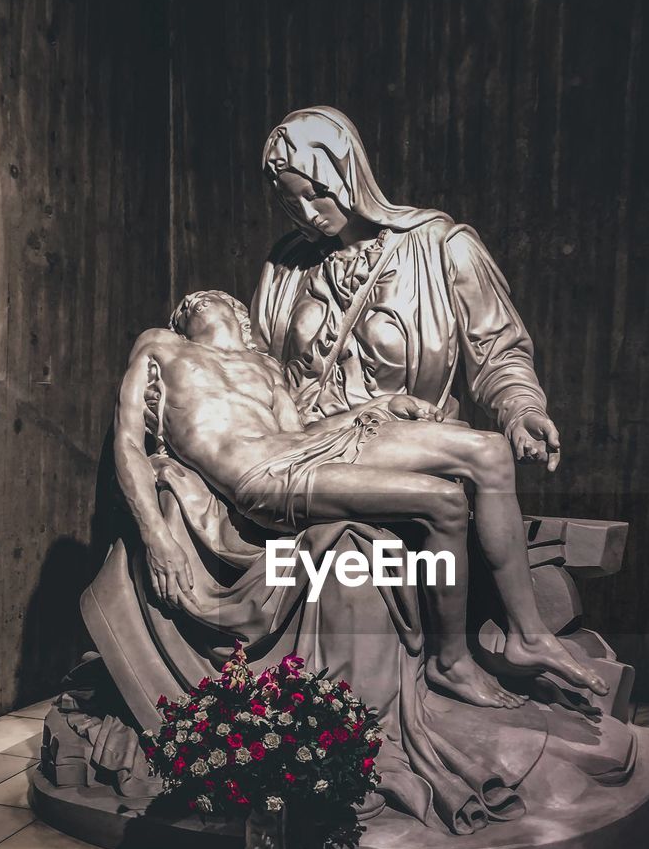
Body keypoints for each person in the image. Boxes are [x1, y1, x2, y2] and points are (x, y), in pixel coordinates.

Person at [114, 289, 608, 709]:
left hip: (304, 449)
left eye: (217, 299)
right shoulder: (162, 345)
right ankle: (450, 662)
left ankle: (528, 633)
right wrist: (157, 536)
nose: (205, 301)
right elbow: (128, 443)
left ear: (241, 317)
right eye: (196, 302)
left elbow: (301, 432)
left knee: (489, 450)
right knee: (445, 503)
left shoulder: (262, 365)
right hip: (263, 476)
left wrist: (376, 408)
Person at [252, 106, 561, 471]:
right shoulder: (287, 265)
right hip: (300, 453)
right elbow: (254, 367)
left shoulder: (442, 248)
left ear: (347, 172)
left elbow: (497, 353)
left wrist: (521, 410)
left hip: (401, 457)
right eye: (291, 203)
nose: (307, 213)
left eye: (316, 192)